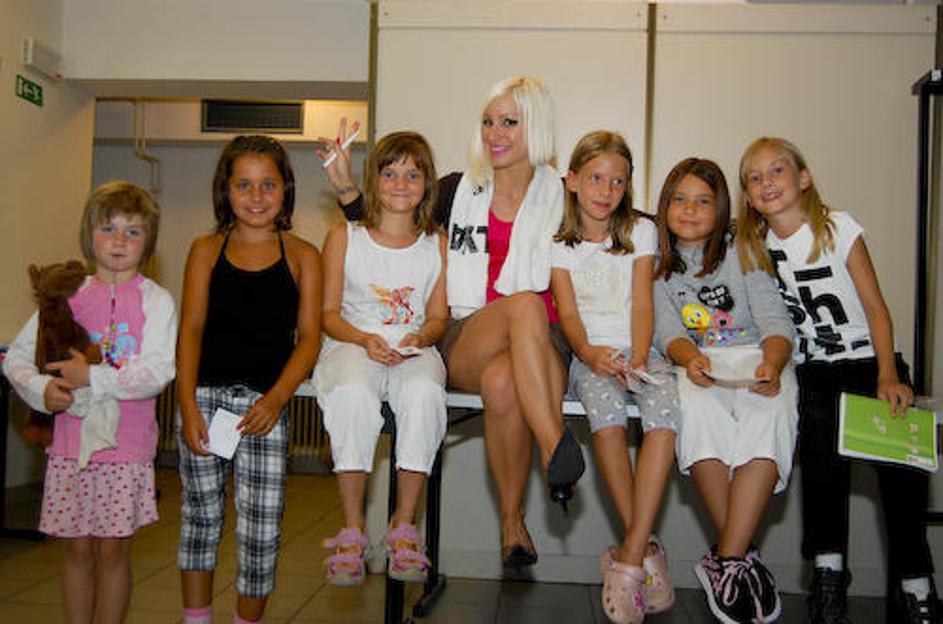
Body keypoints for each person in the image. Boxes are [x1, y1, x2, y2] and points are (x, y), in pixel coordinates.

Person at [320, 76, 584, 571]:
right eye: (488, 121)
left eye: (509, 122)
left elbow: (621, 231)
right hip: (468, 332)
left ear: (537, 127)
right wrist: (346, 188)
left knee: (503, 379)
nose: (494, 133)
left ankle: (512, 523)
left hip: (541, 344)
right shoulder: (458, 190)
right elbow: (391, 220)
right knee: (525, 303)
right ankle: (555, 445)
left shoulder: (563, 194)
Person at [737, 137, 940, 624]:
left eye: (777, 170)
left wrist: (889, 373)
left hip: (869, 362)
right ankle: (828, 578)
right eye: (754, 177)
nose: (767, 183)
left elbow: (875, 308)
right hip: (815, 369)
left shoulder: (836, 227)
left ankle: (917, 585)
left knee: (901, 470)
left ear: (803, 178)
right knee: (821, 457)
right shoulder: (756, 247)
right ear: (747, 196)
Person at [3, 181, 176, 624]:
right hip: (70, 449)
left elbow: (158, 370)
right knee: (78, 549)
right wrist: (42, 390)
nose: (119, 241)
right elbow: (16, 359)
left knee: (112, 550)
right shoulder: (66, 295)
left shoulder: (156, 301)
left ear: (148, 242)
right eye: (108, 229)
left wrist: (92, 378)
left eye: (133, 232)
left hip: (126, 448)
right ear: (89, 234)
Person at [176, 135, 322, 624]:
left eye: (268, 185)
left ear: (286, 190)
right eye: (244, 185)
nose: (256, 196)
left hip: (265, 410)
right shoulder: (205, 250)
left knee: (260, 531)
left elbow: (309, 340)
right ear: (226, 189)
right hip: (205, 403)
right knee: (201, 519)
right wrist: (187, 406)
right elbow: (191, 329)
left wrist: (277, 400)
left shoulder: (303, 256)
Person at [653, 158, 797, 624]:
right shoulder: (657, 266)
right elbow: (668, 331)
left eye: (703, 202)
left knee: (769, 415)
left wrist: (773, 364)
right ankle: (740, 562)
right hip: (700, 359)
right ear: (664, 206)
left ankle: (728, 558)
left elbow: (775, 320)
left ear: (720, 211)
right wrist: (688, 358)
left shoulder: (744, 248)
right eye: (680, 199)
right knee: (696, 412)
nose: (690, 210)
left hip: (758, 354)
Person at [549, 131, 680, 624]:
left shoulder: (641, 232)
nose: (606, 191)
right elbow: (568, 315)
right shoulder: (558, 244)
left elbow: (643, 302)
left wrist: (640, 357)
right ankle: (644, 548)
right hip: (592, 355)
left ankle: (627, 558)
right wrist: (589, 353)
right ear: (573, 181)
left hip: (641, 350)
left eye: (618, 182)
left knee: (665, 410)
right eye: (596, 178)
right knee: (606, 420)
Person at [314, 131, 448, 586]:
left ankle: (403, 527)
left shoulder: (436, 243)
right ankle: (353, 529)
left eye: (412, 175)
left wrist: (419, 337)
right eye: (390, 173)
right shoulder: (344, 237)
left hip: (413, 346)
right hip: (352, 343)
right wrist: (364, 339)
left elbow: (438, 317)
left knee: (425, 393)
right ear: (373, 180)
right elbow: (329, 315)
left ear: (427, 185)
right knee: (352, 393)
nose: (400, 184)